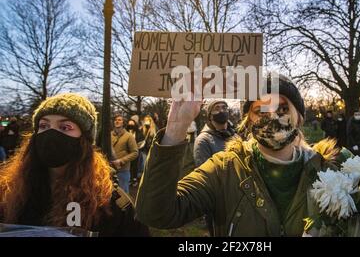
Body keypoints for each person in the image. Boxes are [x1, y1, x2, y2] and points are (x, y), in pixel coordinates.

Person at [135, 75, 344, 236]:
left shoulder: (329, 170)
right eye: (260, 110)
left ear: (299, 117)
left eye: (282, 108)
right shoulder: (223, 170)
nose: (271, 116)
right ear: (247, 121)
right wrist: (175, 130)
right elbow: (156, 213)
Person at [0, 93, 149, 236]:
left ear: (84, 139)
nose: (51, 134)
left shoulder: (110, 203)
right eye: (44, 126)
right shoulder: (9, 193)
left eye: (65, 127)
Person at [193, 100, 237, 167]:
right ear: (210, 116)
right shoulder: (203, 140)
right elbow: (204, 171)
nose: (221, 111)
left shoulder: (234, 135)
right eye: (217, 108)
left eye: (224, 108)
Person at [111, 115, 138, 194]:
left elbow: (135, 152)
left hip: (123, 171)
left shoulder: (129, 136)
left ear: (123, 123)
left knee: (123, 196)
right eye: (115, 119)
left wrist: (121, 161)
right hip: (110, 170)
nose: (117, 121)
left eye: (119, 120)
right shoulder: (109, 135)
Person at [126, 118, 145, 188]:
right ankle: (129, 179)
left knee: (135, 166)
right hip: (127, 152)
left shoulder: (138, 133)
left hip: (136, 152)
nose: (131, 125)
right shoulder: (125, 132)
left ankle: (134, 179)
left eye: (132, 124)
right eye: (129, 124)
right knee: (128, 166)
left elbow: (142, 141)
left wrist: (137, 147)